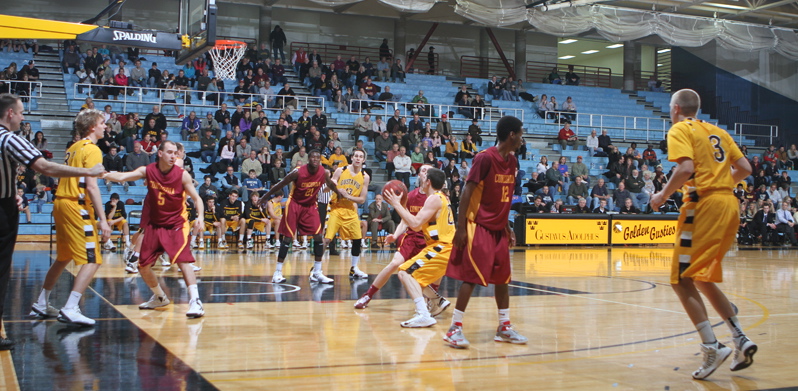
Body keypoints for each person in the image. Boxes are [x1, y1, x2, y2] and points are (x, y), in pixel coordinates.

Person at [649, 89, 756, 380]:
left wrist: (661, 195)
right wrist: (721, 184)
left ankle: (711, 346)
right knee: (702, 276)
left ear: (676, 109)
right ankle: (740, 338)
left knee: (680, 279)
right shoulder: (717, 130)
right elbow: (745, 168)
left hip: (704, 206)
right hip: (729, 204)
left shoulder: (680, 128)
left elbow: (685, 168)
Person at [445, 116, 527, 349]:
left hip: (499, 229)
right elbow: (466, 194)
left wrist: (508, 227)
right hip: (478, 225)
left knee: (503, 279)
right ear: (511, 134)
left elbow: (504, 198)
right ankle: (454, 329)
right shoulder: (484, 158)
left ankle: (504, 327)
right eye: (520, 134)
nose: (522, 139)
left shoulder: (512, 162)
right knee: (471, 277)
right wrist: (461, 228)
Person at [102, 141, 206, 318]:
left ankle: (195, 301)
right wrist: (103, 174)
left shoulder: (182, 176)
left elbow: (197, 199)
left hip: (176, 224)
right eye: (170, 152)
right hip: (155, 225)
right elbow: (123, 177)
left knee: (183, 260)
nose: (173, 156)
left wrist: (201, 217)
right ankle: (159, 297)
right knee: (143, 266)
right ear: (160, 153)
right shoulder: (148, 170)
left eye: (175, 153)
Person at [29, 109, 111, 326]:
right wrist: (103, 219)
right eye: (103, 123)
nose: (106, 126)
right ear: (92, 126)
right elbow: (92, 186)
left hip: (60, 203)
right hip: (76, 204)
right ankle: (71, 307)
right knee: (93, 259)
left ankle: (41, 302)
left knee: (63, 257)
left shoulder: (74, 146)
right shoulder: (93, 149)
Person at [380, 167, 454, 327]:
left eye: (425, 176)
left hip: (441, 248)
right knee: (414, 276)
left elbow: (414, 224)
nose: (422, 178)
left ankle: (423, 313)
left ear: (428, 182)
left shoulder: (433, 199)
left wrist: (397, 205)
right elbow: (418, 226)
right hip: (440, 247)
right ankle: (436, 301)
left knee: (405, 272)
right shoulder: (441, 198)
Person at [260, 150, 342, 284]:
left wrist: (337, 193)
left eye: (318, 157)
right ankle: (278, 272)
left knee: (318, 236)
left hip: (310, 206)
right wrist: (265, 196)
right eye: (313, 157)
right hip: (295, 204)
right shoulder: (298, 172)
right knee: (287, 238)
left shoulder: (323, 172)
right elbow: (280, 184)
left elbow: (330, 183)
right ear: (308, 159)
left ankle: (317, 272)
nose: (315, 159)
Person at [324, 148, 370, 278]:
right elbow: (327, 188)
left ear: (363, 160)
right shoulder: (341, 170)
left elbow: (362, 199)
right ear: (352, 158)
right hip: (336, 208)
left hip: (350, 210)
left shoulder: (365, 177)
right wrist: (334, 187)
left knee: (357, 239)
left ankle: (354, 268)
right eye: (356, 156)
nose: (357, 158)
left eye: (360, 156)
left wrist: (348, 196)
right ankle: (315, 269)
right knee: (327, 239)